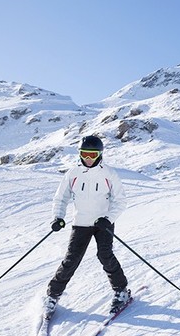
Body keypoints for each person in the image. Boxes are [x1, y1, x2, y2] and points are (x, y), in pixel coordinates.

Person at [44, 135, 130, 318]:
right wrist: (58, 217)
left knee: (105, 255)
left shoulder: (109, 173)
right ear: (80, 154)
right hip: (81, 222)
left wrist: (108, 218)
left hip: (103, 223)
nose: (88, 158)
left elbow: (120, 200)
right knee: (71, 259)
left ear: (100, 154)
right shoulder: (72, 174)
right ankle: (52, 295)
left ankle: (121, 290)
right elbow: (61, 198)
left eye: (92, 154)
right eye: (85, 154)